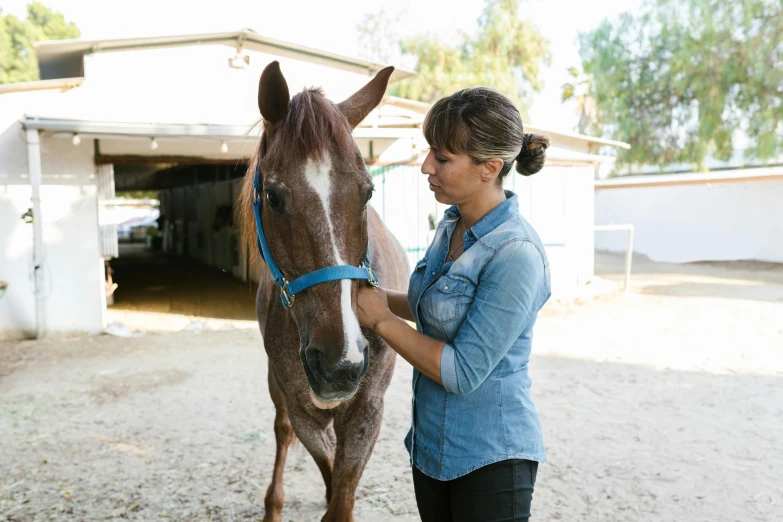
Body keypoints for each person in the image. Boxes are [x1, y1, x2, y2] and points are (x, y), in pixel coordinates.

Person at [357, 87, 551, 522]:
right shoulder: (452, 225)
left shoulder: (515, 254)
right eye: (430, 153)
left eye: (442, 158)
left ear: (490, 168)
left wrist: (382, 321)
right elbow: (433, 306)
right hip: (433, 449)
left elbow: (462, 371)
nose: (427, 167)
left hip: (491, 461)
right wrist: (365, 297)